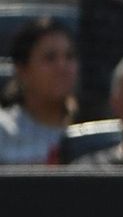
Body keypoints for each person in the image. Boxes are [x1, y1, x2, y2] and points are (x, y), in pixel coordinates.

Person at [0, 18, 78, 164]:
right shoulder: (3, 131)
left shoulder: (94, 126)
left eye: (69, 57)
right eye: (50, 58)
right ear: (22, 70)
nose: (62, 67)